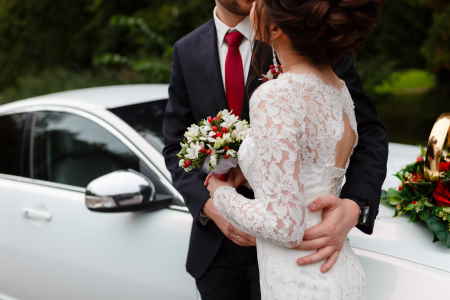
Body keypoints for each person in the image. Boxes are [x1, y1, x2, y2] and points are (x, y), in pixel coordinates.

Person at [163, 0, 388, 299]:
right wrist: (209, 204)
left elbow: (367, 131)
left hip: (306, 250)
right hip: (217, 254)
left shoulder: (307, 29)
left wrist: (354, 206)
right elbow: (174, 145)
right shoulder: (186, 50)